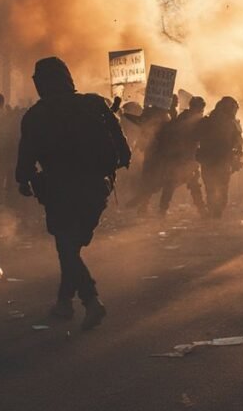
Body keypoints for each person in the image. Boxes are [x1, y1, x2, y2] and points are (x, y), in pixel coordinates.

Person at [15, 57, 131, 329]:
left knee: (67, 247)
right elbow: (124, 152)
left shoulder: (36, 115)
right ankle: (64, 303)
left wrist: (24, 181)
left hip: (59, 190)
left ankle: (90, 300)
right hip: (96, 189)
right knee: (70, 246)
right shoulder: (95, 104)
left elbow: (25, 161)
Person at [159, 96, 207, 217]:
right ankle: (201, 210)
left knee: (185, 184)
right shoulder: (192, 120)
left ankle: (162, 210)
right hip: (183, 156)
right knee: (190, 184)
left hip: (183, 157)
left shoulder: (183, 118)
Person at [196, 96, 243, 219]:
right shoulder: (231, 124)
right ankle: (216, 212)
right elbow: (238, 143)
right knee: (221, 187)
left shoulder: (207, 121)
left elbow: (197, 138)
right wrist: (237, 158)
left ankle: (214, 210)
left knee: (211, 187)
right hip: (221, 159)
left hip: (211, 159)